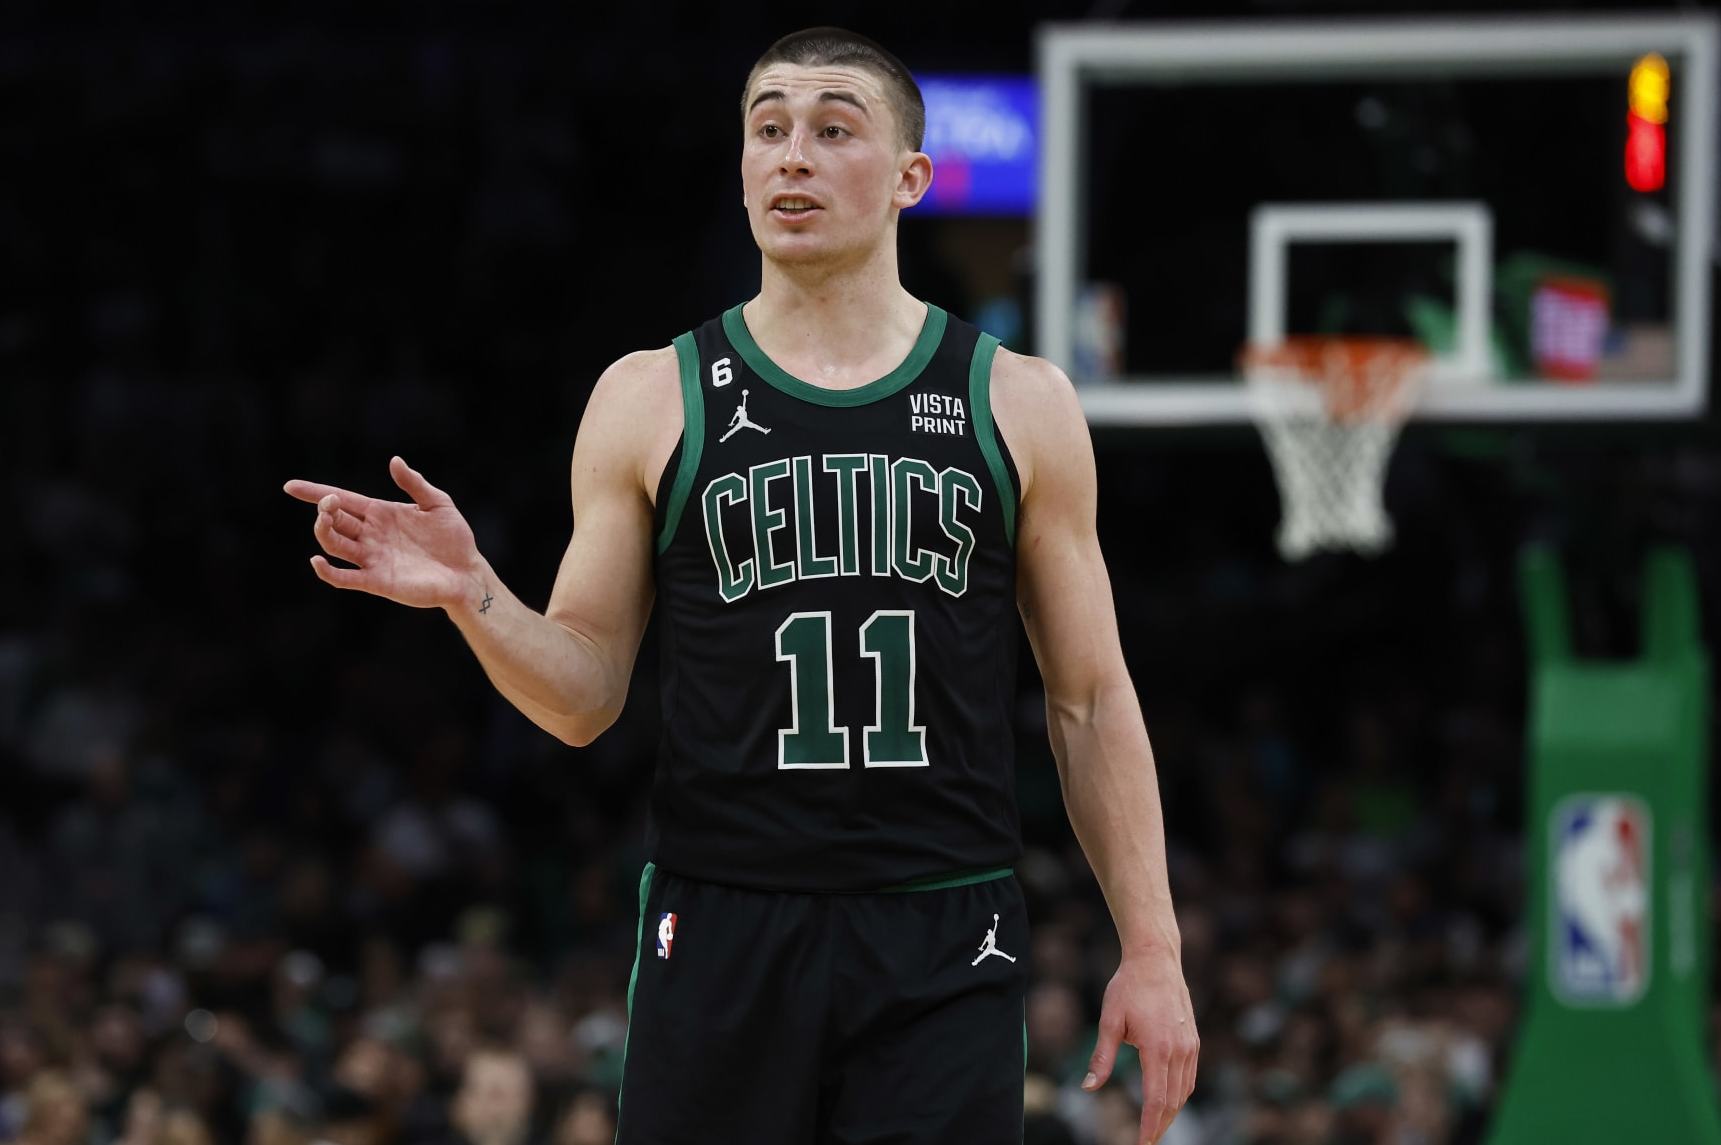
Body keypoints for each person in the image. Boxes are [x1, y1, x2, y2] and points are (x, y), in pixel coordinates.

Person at [285, 26, 1197, 1145]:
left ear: (911, 176)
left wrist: (1150, 949)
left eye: (830, 129)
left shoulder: (1018, 399)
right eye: (767, 130)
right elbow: (580, 697)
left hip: (942, 923)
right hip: (720, 921)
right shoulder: (647, 395)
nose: (791, 157)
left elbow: (1090, 700)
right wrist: (474, 593)